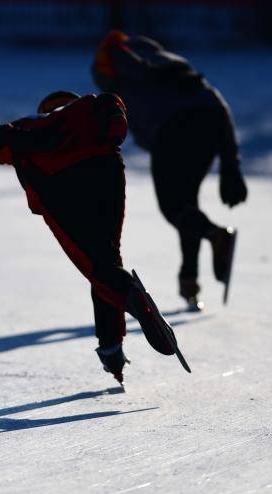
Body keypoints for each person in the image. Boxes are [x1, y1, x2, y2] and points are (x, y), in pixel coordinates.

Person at [0, 91, 190, 383]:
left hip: (58, 186)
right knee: (106, 261)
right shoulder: (90, 115)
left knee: (96, 267)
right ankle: (111, 346)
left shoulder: (26, 126)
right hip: (105, 173)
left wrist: (28, 144)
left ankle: (133, 300)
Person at [92, 30, 248, 310]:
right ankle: (189, 282)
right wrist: (230, 165)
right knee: (186, 206)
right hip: (209, 127)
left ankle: (216, 236)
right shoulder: (168, 64)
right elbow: (216, 104)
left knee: (173, 208)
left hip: (173, 133)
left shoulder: (122, 70)